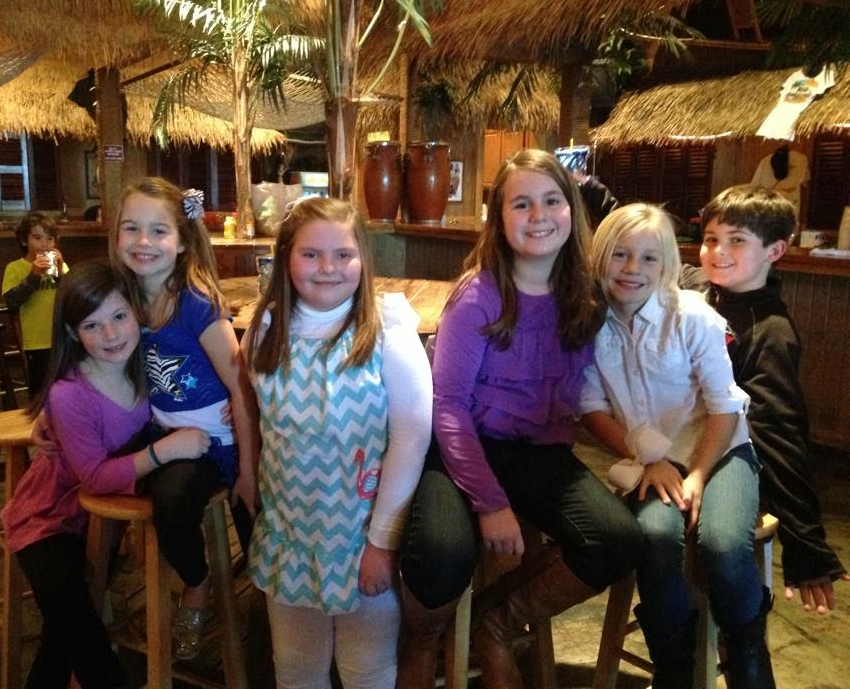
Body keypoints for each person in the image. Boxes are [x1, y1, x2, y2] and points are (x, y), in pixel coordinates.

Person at [397, 148, 643, 689]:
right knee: (442, 555)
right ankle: (422, 639)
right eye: (521, 204)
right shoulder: (478, 295)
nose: (539, 216)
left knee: (617, 538)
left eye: (552, 201)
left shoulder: (586, 295)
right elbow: (449, 407)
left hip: (538, 452)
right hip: (462, 445)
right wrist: (491, 504)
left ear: (572, 209)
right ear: (500, 219)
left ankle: (495, 622)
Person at [580, 203, 774, 689]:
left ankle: (747, 651)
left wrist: (698, 476)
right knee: (655, 537)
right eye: (620, 254)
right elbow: (591, 409)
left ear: (667, 264)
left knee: (723, 542)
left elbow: (725, 407)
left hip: (720, 450)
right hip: (649, 460)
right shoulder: (588, 325)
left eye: (649, 258)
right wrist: (650, 458)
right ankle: (674, 664)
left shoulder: (693, 317)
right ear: (599, 256)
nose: (633, 268)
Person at [242, 197, 432, 689]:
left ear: (363, 258)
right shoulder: (265, 330)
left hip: (362, 535)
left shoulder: (387, 331)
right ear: (286, 258)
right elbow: (257, 416)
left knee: (367, 669)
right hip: (289, 535)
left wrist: (382, 542)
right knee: (295, 668)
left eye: (343, 255)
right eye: (311, 254)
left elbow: (411, 439)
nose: (327, 268)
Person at [1, 260, 213, 688]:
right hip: (48, 517)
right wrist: (164, 450)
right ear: (72, 333)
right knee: (77, 624)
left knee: (64, 633)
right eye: (92, 326)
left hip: (102, 518)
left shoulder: (147, 364)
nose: (111, 334)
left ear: (138, 314)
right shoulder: (69, 393)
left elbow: (201, 369)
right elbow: (95, 477)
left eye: (119, 316)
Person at [110, 177, 260, 660]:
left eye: (158, 231)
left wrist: (248, 470)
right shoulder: (121, 300)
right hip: (164, 433)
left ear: (181, 242)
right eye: (131, 228)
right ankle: (189, 581)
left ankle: (262, 618)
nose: (143, 241)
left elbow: (240, 385)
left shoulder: (197, 303)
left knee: (255, 537)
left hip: (221, 442)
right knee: (147, 495)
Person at [693, 185, 848, 614]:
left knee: (720, 541)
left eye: (737, 240)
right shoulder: (701, 294)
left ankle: (745, 630)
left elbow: (779, 431)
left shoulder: (771, 332)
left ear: (775, 250)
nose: (718, 251)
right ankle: (676, 629)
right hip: (686, 444)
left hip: (737, 455)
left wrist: (805, 540)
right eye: (711, 238)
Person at [2, 211, 68, 394]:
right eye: (37, 238)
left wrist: (60, 270)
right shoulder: (15, 268)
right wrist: (33, 275)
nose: (44, 244)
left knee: (64, 387)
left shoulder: (61, 266)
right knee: (40, 390)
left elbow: (71, 296)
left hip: (61, 337)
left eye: (49, 239)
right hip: (36, 340)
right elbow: (12, 301)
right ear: (24, 241)